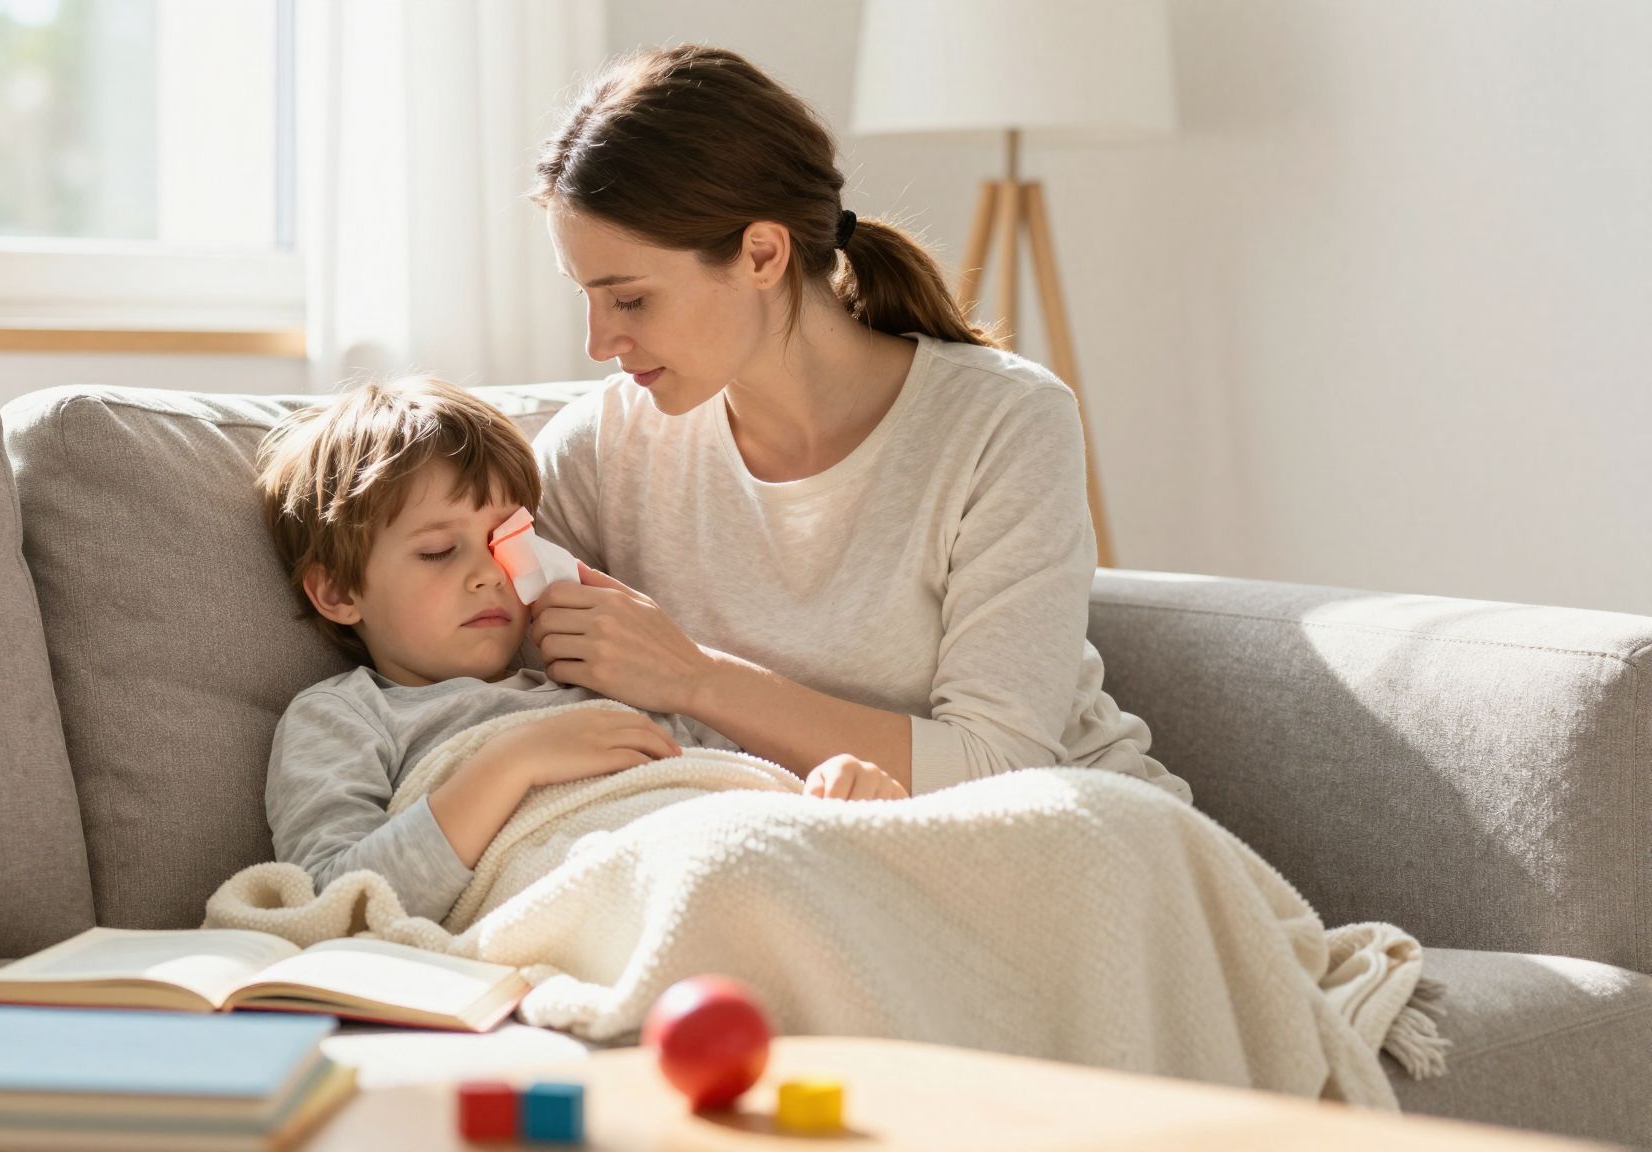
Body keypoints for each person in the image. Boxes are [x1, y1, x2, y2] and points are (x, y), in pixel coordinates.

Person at [525, 45, 1191, 805]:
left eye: (630, 299)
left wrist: (694, 677)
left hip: (1061, 830)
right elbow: (456, 663)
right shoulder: (603, 448)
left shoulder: (1001, 424)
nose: (599, 343)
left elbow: (999, 767)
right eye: (585, 296)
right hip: (803, 851)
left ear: (762, 253)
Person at [252, 375, 895, 925]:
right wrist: (512, 762)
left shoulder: (595, 676)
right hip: (619, 892)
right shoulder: (345, 716)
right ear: (337, 592)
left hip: (733, 850)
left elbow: (725, 777)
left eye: (507, 539)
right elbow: (338, 907)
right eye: (439, 552)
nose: (492, 574)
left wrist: (834, 797)